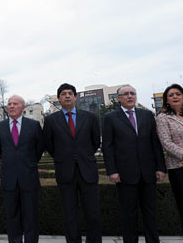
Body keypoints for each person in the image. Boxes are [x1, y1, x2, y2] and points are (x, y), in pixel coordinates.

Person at [102, 85, 167, 243]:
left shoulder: (146, 115)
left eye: (133, 93)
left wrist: (160, 167)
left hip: (148, 172)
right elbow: (108, 147)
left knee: (150, 212)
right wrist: (112, 171)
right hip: (125, 174)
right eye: (126, 94)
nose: (130, 96)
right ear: (118, 98)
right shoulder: (110, 118)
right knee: (128, 214)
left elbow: (155, 143)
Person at [43, 83, 102, 243]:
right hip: (65, 171)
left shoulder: (90, 117)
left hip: (87, 170)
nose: (67, 96)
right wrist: (64, 157)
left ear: (75, 97)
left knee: (93, 213)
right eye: (63, 94)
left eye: (70, 93)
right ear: (58, 98)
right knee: (69, 214)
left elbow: (95, 141)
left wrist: (82, 155)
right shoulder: (50, 120)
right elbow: (49, 145)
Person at [0, 95, 44, 243]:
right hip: (9, 179)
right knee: (12, 217)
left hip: (29, 177)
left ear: (23, 107)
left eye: (15, 104)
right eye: (9, 104)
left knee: (31, 217)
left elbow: (39, 148)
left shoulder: (33, 125)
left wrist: (27, 164)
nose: (11, 106)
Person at [156, 84, 183, 234]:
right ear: (166, 100)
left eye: (178, 93)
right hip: (178, 168)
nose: (175, 97)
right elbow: (166, 142)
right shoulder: (163, 118)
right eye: (171, 95)